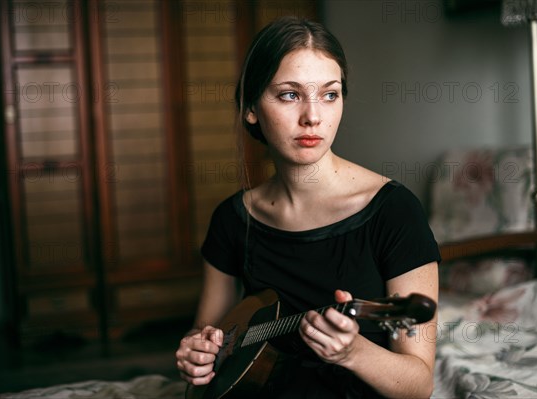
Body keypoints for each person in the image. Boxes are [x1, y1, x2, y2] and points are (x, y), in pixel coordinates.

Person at [176, 16, 440, 398]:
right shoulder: (232, 218)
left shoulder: (394, 211)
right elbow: (206, 330)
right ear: (251, 107)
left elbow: (418, 386)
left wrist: (354, 352)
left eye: (329, 94)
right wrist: (195, 354)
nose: (313, 116)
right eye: (289, 94)